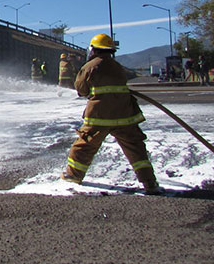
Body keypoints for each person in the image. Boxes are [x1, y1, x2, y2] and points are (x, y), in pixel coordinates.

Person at [61, 33, 160, 194]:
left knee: (83, 147)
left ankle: (73, 175)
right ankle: (149, 182)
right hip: (124, 115)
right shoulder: (118, 67)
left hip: (99, 117)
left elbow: (81, 90)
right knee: (136, 149)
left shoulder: (90, 66)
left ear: (93, 50)